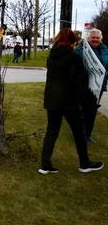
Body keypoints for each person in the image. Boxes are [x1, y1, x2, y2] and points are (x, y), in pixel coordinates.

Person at [39, 28, 103, 175]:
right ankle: (84, 163)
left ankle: (45, 165)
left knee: (52, 131)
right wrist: (85, 98)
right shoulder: (73, 57)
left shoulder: (51, 56)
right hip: (69, 101)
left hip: (52, 100)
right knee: (79, 133)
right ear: (72, 41)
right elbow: (78, 81)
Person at [75, 28, 108, 143]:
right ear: (88, 39)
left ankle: (88, 134)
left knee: (92, 110)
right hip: (84, 85)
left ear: (101, 39)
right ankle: (79, 133)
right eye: (93, 37)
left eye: (97, 38)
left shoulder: (104, 50)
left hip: (98, 86)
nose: (95, 40)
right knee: (82, 110)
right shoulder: (80, 50)